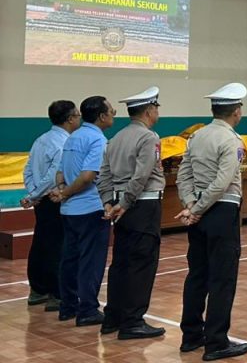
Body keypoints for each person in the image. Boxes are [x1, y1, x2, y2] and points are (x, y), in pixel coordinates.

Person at [176, 83, 247, 361]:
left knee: (197, 275)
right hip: (221, 211)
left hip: (198, 212)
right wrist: (198, 208)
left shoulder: (197, 136)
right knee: (222, 278)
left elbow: (183, 175)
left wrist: (190, 205)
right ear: (236, 111)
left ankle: (191, 336)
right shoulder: (231, 140)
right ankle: (217, 342)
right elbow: (223, 182)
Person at [97, 87, 166, 340]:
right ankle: (133, 321)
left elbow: (104, 174)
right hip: (141, 206)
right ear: (149, 111)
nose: (157, 112)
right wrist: (126, 202)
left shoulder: (116, 138)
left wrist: (108, 202)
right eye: (156, 107)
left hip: (120, 205)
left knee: (122, 262)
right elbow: (142, 175)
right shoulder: (148, 137)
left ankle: (113, 317)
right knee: (141, 263)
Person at [51, 95, 114, 326]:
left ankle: (68, 306)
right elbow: (88, 176)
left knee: (70, 258)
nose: (113, 115)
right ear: (102, 116)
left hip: (69, 212)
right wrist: (66, 193)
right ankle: (87, 310)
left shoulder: (73, 137)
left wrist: (62, 191)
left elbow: (60, 172)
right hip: (90, 209)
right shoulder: (97, 140)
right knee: (91, 261)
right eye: (111, 111)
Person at [22, 100, 80, 311]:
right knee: (58, 245)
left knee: (42, 241)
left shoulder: (41, 139)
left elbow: (28, 170)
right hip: (55, 198)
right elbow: (54, 175)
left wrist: (33, 194)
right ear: (70, 119)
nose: (79, 119)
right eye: (77, 115)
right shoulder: (65, 143)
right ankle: (57, 293)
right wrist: (36, 194)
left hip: (41, 199)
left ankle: (38, 289)